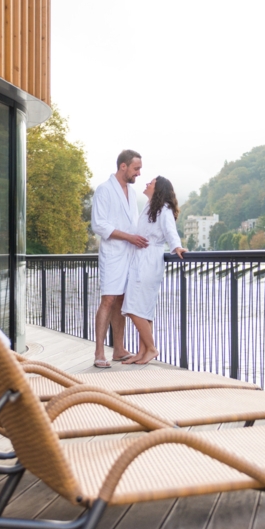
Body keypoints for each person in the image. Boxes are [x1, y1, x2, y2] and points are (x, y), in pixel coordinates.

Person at [91, 150, 149, 368]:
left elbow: (134, 224)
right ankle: (98, 352)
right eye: (136, 168)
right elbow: (99, 224)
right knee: (108, 300)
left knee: (122, 301)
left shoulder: (132, 194)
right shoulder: (104, 190)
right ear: (123, 166)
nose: (139, 173)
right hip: (113, 254)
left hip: (130, 254)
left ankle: (118, 349)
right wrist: (129, 237)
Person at [122, 176, 187, 364]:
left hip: (149, 261)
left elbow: (169, 230)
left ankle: (151, 348)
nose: (147, 184)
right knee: (143, 308)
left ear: (158, 188)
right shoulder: (150, 206)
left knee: (134, 307)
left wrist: (177, 247)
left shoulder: (163, 208)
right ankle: (142, 352)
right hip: (141, 259)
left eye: (151, 182)